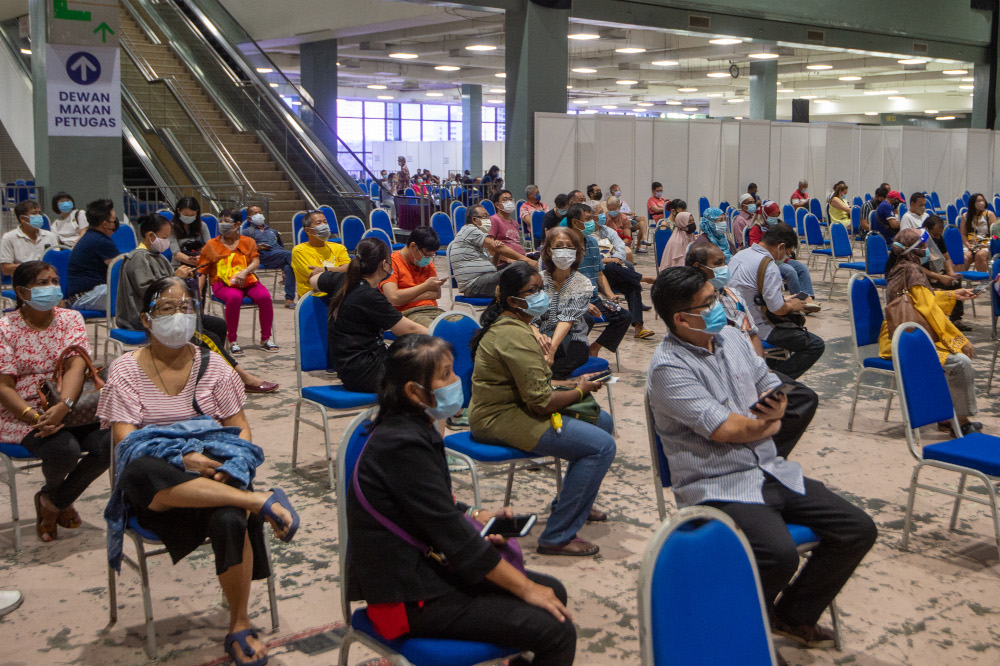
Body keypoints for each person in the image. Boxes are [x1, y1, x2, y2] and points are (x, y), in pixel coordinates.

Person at [647, 266, 877, 649]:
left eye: (716, 296)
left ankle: (791, 615)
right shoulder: (669, 367)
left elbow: (771, 383)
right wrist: (768, 426)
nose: (720, 305)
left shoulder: (731, 338)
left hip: (768, 468)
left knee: (857, 529)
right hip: (717, 484)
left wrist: (774, 408)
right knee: (777, 555)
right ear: (681, 318)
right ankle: (735, 636)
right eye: (709, 303)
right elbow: (726, 430)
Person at [97, 276, 299, 666]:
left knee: (228, 518)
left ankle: (238, 622)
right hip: (159, 493)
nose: (179, 316)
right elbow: (126, 440)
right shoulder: (124, 371)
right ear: (146, 319)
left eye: (186, 307)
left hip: (212, 477)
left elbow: (239, 431)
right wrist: (181, 457)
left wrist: (229, 465)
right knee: (139, 469)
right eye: (167, 309)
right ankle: (258, 501)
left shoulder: (216, 368)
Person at [347, 334, 576, 663]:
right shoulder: (401, 443)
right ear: (413, 391)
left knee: (554, 592)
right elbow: (455, 539)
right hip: (407, 597)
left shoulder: (412, 426)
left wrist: (474, 513)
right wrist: (524, 588)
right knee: (555, 628)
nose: (456, 381)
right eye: (445, 375)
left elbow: (424, 503)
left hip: (426, 571)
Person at [469, 263, 615, 557]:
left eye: (540, 289)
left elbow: (536, 384)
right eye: (532, 291)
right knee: (601, 447)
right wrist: (578, 391)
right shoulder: (515, 335)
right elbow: (541, 402)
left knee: (601, 421)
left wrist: (571, 383)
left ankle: (570, 503)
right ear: (512, 301)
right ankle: (557, 535)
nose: (541, 296)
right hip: (498, 418)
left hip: (519, 405)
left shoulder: (520, 327)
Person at [0, 261, 110, 542]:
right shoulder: (5, 327)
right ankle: (61, 497)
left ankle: (53, 500)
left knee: (111, 441)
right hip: (21, 411)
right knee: (65, 449)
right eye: (42, 283)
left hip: (71, 405)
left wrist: (63, 406)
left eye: (53, 280)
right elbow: (3, 386)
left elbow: (75, 367)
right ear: (22, 293)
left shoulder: (70, 319)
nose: (51, 287)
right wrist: (35, 417)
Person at [685, 243, 819, 458]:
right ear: (699, 267)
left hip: (750, 366)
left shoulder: (731, 294)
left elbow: (753, 334)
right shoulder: (692, 301)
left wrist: (761, 371)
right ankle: (749, 456)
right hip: (722, 370)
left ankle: (770, 455)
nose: (724, 267)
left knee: (803, 398)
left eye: (724, 262)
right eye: (717, 264)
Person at [118, 214, 278, 393]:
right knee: (208, 336)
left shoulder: (158, 256)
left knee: (218, 324)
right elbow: (149, 292)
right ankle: (242, 377)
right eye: (164, 238)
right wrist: (175, 277)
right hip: (147, 317)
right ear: (150, 236)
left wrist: (185, 277)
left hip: (167, 312)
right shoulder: (139, 258)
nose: (166, 243)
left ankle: (208, 376)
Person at [878, 228, 983, 435]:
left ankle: (946, 417)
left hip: (901, 333)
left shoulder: (901, 266)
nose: (927, 250)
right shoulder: (913, 271)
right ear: (915, 250)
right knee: (961, 363)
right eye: (924, 247)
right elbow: (929, 310)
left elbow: (923, 299)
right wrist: (959, 340)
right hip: (907, 339)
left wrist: (953, 295)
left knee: (954, 361)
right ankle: (959, 422)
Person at [315, 238, 427, 392]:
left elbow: (314, 280)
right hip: (365, 372)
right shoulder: (369, 296)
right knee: (428, 365)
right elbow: (409, 329)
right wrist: (441, 336)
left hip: (350, 366)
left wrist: (338, 274)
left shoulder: (344, 281)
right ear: (383, 264)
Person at [728, 223, 825, 379]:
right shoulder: (769, 266)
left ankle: (771, 370)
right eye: (787, 253)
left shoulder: (740, 255)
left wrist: (784, 299)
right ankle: (776, 381)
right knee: (815, 345)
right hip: (757, 325)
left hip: (732, 319)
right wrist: (793, 305)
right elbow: (777, 309)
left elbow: (754, 293)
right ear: (780, 246)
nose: (785, 257)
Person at [199, 212, 277, 355]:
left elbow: (255, 261)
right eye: (221, 221)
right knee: (234, 298)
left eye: (227, 220)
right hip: (222, 283)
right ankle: (233, 340)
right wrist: (198, 292)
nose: (223, 224)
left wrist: (245, 271)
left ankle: (266, 339)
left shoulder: (248, 242)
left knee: (264, 297)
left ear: (237, 224)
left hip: (247, 280)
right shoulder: (211, 244)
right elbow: (203, 271)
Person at [535, 227, 598, 378]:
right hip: (539, 336)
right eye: (558, 246)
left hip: (571, 339)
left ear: (576, 252)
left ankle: (559, 396)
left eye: (569, 246)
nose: (564, 250)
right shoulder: (537, 279)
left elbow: (567, 319)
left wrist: (551, 350)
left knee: (553, 370)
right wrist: (537, 335)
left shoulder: (583, 283)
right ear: (549, 251)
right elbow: (529, 314)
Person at [588, 205, 655, 339]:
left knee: (632, 285)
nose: (603, 215)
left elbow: (621, 248)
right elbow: (591, 260)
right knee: (610, 267)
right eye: (600, 213)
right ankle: (643, 278)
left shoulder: (607, 231)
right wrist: (607, 260)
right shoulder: (586, 236)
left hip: (613, 273)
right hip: (595, 276)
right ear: (591, 217)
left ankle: (638, 327)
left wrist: (615, 258)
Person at [453, 205, 534, 298]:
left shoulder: (479, 238)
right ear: (475, 220)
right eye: (485, 217)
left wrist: (497, 254)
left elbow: (493, 265)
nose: (489, 220)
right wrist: (527, 260)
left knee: (519, 274)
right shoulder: (469, 230)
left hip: (485, 279)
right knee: (520, 265)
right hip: (474, 285)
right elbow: (496, 246)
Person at [381, 226, 447, 326]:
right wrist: (425, 286)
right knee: (439, 331)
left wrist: (404, 298)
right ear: (413, 246)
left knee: (465, 327)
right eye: (426, 255)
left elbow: (436, 294)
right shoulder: (391, 263)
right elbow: (393, 298)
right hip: (407, 314)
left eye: (432, 255)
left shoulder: (427, 264)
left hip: (433, 310)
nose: (428, 259)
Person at [66, 199, 121, 312]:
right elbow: (120, 269)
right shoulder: (101, 241)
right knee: (129, 294)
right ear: (105, 224)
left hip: (86, 294)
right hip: (84, 297)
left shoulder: (91, 236)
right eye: (114, 220)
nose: (116, 223)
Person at [243, 205, 295, 309]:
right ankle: (304, 275)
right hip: (262, 257)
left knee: (288, 267)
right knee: (289, 254)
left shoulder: (273, 230)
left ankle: (289, 299)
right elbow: (244, 252)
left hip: (277, 255)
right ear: (249, 218)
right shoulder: (247, 232)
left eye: (260, 213)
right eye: (255, 213)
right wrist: (257, 248)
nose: (259, 215)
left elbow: (281, 247)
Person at [923, 215, 969, 331]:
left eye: (939, 234)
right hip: (922, 275)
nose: (937, 237)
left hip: (935, 271)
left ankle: (956, 319)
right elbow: (916, 267)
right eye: (935, 235)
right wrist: (939, 277)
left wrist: (950, 273)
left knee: (955, 282)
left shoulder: (938, 238)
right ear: (926, 229)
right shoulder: (919, 241)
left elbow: (946, 258)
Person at [291, 210, 350, 299]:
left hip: (338, 295)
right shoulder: (299, 251)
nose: (324, 225)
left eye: (325, 222)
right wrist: (339, 270)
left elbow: (349, 270)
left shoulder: (339, 248)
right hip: (313, 297)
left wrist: (324, 269)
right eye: (319, 223)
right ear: (308, 230)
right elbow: (317, 277)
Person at [0, 200, 59, 276]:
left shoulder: (50, 235)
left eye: (39, 213)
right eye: (34, 213)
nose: (39, 216)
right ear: (22, 218)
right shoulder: (9, 237)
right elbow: (6, 269)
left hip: (47, 280)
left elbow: (56, 262)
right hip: (23, 282)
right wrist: (35, 267)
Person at [488, 190, 530, 265]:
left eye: (510, 199)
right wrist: (507, 259)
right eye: (505, 199)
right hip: (506, 263)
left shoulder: (515, 223)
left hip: (521, 259)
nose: (509, 202)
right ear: (497, 205)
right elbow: (490, 248)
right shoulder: (494, 220)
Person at [607, 184, 650, 249]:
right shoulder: (609, 202)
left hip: (630, 218)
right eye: (616, 190)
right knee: (639, 224)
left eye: (619, 190)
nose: (618, 192)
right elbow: (618, 212)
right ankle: (640, 244)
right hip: (626, 218)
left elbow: (629, 211)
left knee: (642, 219)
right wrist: (627, 214)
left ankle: (643, 239)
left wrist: (632, 214)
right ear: (611, 192)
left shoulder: (623, 202)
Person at [961, 193, 994, 272]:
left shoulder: (989, 215)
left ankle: (982, 280)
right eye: (979, 201)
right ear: (973, 204)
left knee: (980, 255)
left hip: (986, 245)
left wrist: (986, 245)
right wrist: (968, 245)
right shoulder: (965, 216)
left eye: (982, 200)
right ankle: (961, 280)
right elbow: (963, 234)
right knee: (965, 257)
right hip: (971, 245)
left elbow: (995, 235)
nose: (982, 202)